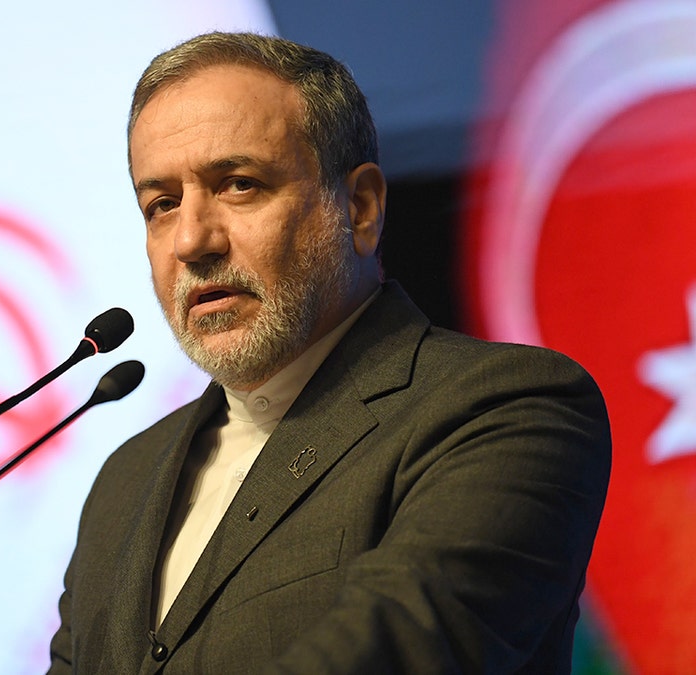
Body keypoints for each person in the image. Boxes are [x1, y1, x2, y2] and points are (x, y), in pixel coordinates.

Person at [47, 32, 611, 674]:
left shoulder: (504, 408)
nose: (191, 241)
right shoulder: (126, 480)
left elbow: (399, 649)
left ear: (361, 208)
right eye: (162, 204)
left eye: (238, 184)